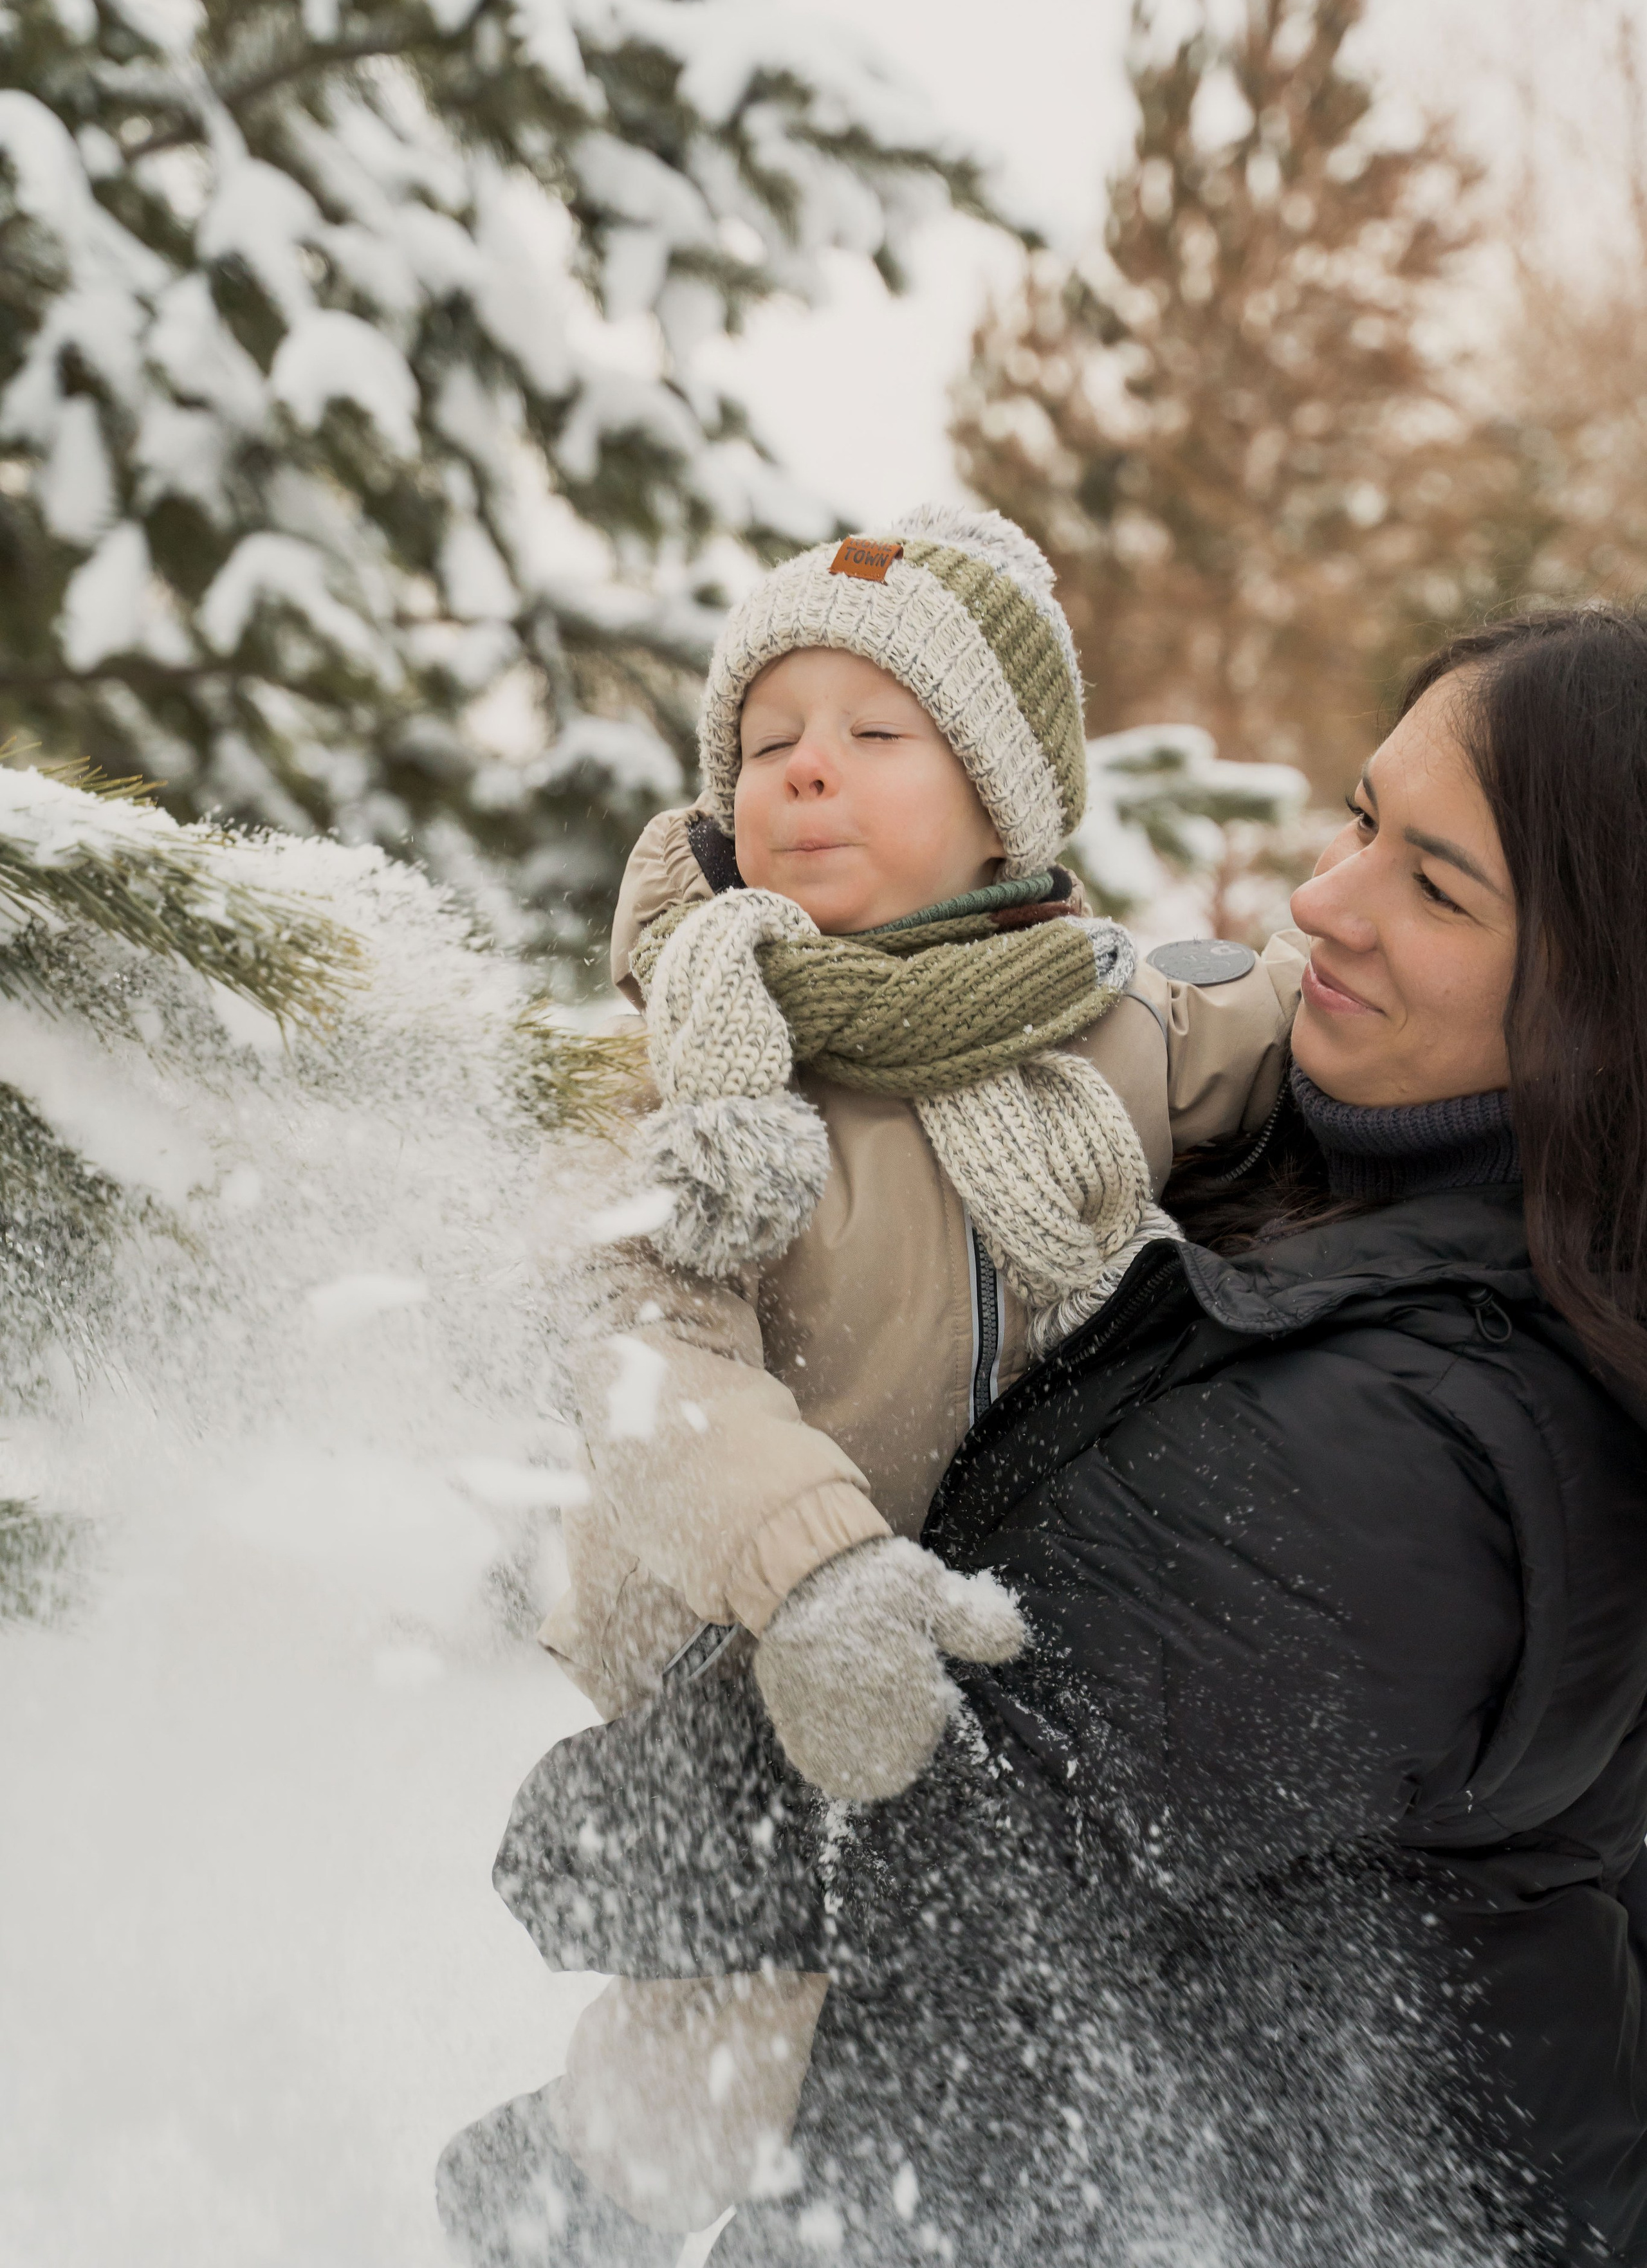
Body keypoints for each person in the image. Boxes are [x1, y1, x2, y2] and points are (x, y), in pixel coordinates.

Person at [467, 605, 1647, 2266]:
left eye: (1436, 885)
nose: (1327, 899)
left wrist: (584, 1833)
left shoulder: (1431, 1452)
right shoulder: (1318, 1165)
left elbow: (868, 1812)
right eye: (1365, 818)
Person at [439, 508, 1308, 2256]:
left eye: (873, 733)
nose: (806, 772)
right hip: (744, 1634)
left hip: (995, 1629)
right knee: (744, 2027)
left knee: (972, 2015)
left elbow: (1296, 1033)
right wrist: (813, 1571)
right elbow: (648, 1355)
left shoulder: (1105, 1016)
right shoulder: (705, 1081)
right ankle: (560, 2197)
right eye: (768, 742)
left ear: (1004, 802)